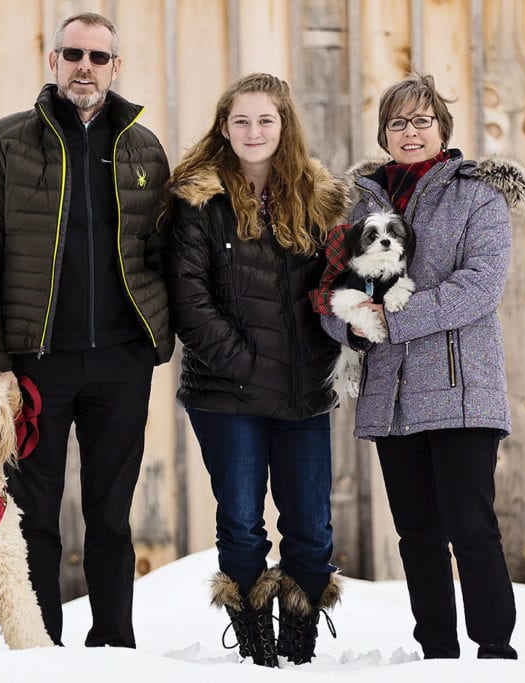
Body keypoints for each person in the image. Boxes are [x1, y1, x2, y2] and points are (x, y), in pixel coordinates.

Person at [0, 12, 172, 648]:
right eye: (73, 54)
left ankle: (114, 644)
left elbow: (164, 252)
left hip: (120, 364)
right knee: (32, 518)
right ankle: (38, 648)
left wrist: (155, 341)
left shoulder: (142, 148)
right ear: (53, 62)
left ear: (115, 67)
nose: (85, 66)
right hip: (32, 365)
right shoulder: (5, 143)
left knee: (112, 515)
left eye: (98, 57)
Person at [315, 73, 525, 660]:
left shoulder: (477, 195)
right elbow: (328, 289)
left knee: (471, 525)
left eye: (421, 121)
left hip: (462, 386)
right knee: (416, 534)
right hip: (391, 393)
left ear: (442, 128)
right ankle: (436, 650)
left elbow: (479, 287)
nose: (410, 132)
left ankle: (495, 649)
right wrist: (344, 322)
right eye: (397, 123)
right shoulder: (357, 203)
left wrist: (387, 322)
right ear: (384, 134)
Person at [163, 73, 346, 667]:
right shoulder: (199, 202)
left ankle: (300, 652)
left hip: (303, 391)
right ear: (224, 127)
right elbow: (189, 300)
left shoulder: (319, 201)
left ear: (284, 127)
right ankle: (256, 657)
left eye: (265, 120)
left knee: (312, 531)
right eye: (240, 120)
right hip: (226, 391)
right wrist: (243, 363)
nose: (253, 131)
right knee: (241, 523)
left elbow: (334, 285)